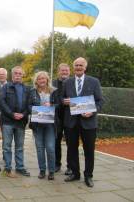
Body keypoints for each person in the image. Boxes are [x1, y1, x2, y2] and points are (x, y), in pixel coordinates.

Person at [63, 57, 103, 187]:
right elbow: (62, 99)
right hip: (71, 122)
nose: (78, 67)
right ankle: (75, 173)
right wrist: (64, 101)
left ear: (85, 67)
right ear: (73, 67)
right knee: (72, 149)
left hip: (89, 121)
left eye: (81, 65)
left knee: (89, 150)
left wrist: (92, 111)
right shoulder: (67, 82)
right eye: (76, 65)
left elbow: (100, 101)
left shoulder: (94, 81)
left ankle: (88, 176)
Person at [0, 66, 30, 177]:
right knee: (7, 146)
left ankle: (20, 167)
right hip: (8, 121)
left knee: (19, 146)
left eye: (19, 73)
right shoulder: (5, 87)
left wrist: (24, 114)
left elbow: (29, 105)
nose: (17, 75)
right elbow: (2, 102)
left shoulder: (27, 89)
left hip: (21, 122)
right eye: (15, 73)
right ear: (12, 75)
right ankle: (7, 168)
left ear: (23, 75)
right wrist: (12, 114)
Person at [28, 71, 58, 180]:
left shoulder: (54, 91)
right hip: (37, 124)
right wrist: (35, 110)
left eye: (43, 78)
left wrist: (52, 105)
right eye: (39, 78)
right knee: (40, 148)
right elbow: (28, 106)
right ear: (36, 80)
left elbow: (59, 105)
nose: (42, 80)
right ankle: (42, 170)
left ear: (47, 80)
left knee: (50, 148)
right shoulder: (32, 92)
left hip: (50, 124)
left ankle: (51, 171)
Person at [52, 63, 72, 174]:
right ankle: (56, 164)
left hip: (70, 117)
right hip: (56, 117)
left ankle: (70, 166)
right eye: (62, 71)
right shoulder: (52, 84)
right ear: (58, 71)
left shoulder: (73, 82)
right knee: (56, 142)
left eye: (66, 71)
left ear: (69, 72)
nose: (64, 72)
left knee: (71, 143)